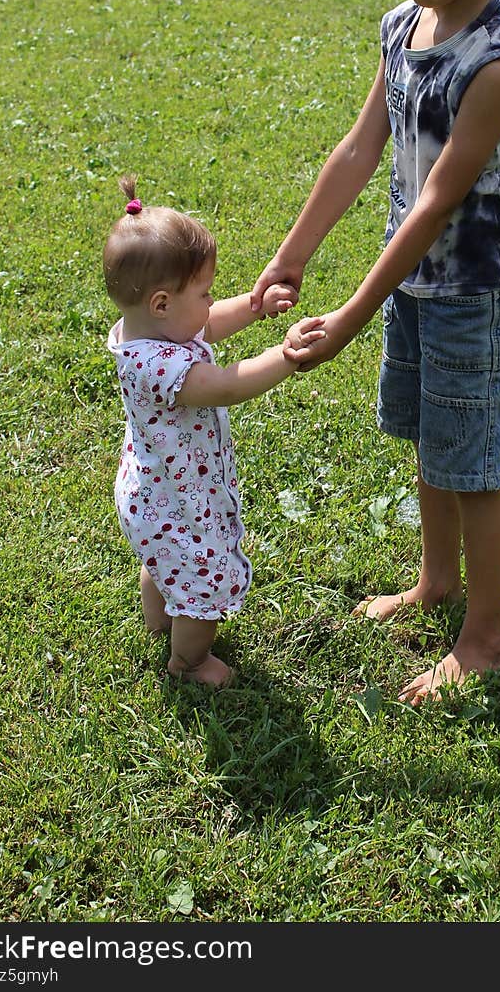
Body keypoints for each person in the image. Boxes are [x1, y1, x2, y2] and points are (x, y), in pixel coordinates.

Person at [253, 0, 500, 704]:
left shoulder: (495, 64)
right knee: (431, 437)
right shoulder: (402, 24)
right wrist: (290, 258)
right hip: (416, 278)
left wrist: (347, 316)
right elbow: (356, 152)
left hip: (477, 292)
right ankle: (435, 581)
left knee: (474, 463)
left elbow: (436, 202)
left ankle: (484, 636)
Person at [104, 174, 325, 687]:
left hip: (152, 492)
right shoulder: (159, 367)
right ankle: (189, 662)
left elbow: (207, 325)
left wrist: (253, 306)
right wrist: (286, 356)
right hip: (178, 498)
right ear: (161, 303)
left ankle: (159, 616)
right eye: (204, 294)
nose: (210, 304)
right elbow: (225, 386)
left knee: (165, 558)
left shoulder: (147, 333)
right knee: (202, 579)